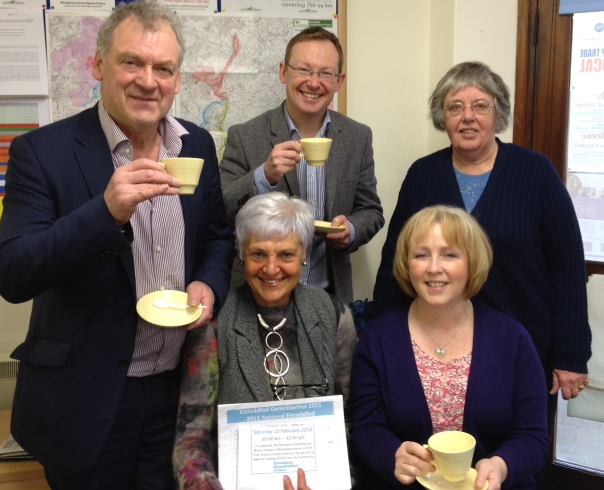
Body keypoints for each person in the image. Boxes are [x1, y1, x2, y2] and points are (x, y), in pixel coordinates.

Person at [0, 1, 235, 488]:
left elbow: (219, 237)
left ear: (178, 79)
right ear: (98, 65)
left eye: (163, 68)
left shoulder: (199, 145)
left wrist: (208, 281)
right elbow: (12, 273)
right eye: (131, 62)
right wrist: (104, 214)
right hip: (89, 400)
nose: (148, 80)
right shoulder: (42, 152)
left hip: (176, 392)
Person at [371, 61, 591, 431]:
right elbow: (396, 261)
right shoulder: (422, 175)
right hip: (437, 351)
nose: (467, 117)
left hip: (524, 349)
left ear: (498, 112)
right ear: (443, 116)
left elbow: (567, 267)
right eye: (455, 107)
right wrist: (377, 342)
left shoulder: (535, 173)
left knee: (516, 455)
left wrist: (571, 354)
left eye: (480, 106)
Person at [352, 205, 549, 489]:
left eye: (450, 254)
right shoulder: (378, 338)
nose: (434, 267)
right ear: (407, 264)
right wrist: (392, 456)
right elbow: (366, 428)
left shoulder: (513, 339)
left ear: (472, 263)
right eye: (421, 255)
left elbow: (533, 437)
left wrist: (502, 465)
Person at [172, 192, 358, 489]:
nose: (271, 269)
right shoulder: (214, 324)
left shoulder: (335, 316)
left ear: (305, 255)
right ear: (242, 254)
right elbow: (191, 439)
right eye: (258, 254)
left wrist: (338, 481)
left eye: (286, 255)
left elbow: (351, 420)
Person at [219, 26, 384, 304]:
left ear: (339, 81)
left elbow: (371, 211)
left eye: (325, 73)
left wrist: (351, 230)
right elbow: (220, 211)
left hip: (328, 296)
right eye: (304, 70)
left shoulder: (357, 137)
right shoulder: (245, 136)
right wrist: (263, 176)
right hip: (258, 295)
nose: (313, 82)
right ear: (284, 72)